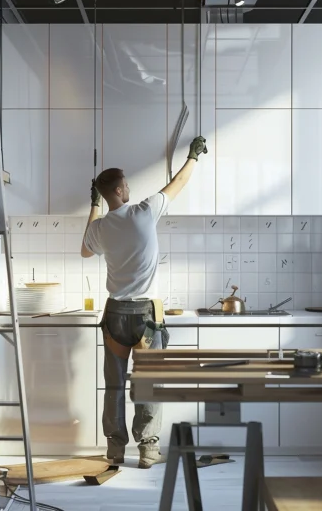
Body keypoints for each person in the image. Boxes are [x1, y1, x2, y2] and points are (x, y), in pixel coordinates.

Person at [81, 136, 208, 469]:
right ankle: (149, 450)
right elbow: (177, 182)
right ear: (121, 190)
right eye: (125, 184)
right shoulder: (145, 211)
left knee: (114, 386)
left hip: (115, 316)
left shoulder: (101, 226)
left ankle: (115, 450)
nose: (128, 188)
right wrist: (193, 156)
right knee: (149, 380)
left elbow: (84, 249)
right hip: (147, 317)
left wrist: (94, 204)